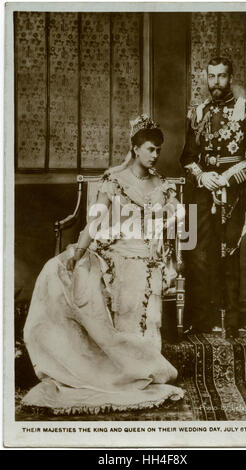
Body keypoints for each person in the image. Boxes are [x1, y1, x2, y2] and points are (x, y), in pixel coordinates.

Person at [22, 115, 184, 414]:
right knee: (57, 272)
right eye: (150, 149)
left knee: (142, 296)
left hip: (147, 258)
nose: (155, 155)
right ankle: (97, 370)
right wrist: (78, 253)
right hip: (112, 253)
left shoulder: (162, 184)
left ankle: (138, 370)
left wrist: (170, 257)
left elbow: (175, 228)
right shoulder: (113, 180)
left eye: (158, 150)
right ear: (135, 149)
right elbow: (94, 223)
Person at [180, 57, 246, 339]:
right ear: (206, 78)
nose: (216, 82)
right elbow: (187, 157)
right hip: (203, 190)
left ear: (231, 78)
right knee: (198, 252)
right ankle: (202, 319)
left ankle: (230, 322)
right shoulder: (198, 112)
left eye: (221, 76)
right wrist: (201, 176)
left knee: (229, 252)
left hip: (233, 191)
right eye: (212, 76)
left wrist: (229, 176)